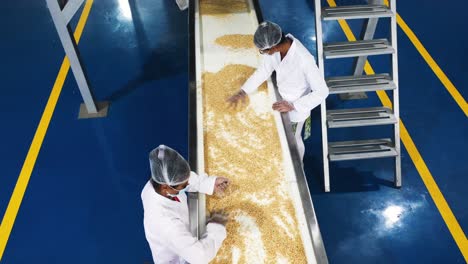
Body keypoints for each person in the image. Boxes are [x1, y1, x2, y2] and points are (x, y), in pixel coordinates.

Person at [227, 21, 329, 160]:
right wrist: (243, 91)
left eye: (264, 50)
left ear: (273, 46)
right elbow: (264, 70)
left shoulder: (304, 59)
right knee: (284, 137)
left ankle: (298, 164)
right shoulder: (276, 50)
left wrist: (294, 105)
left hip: (296, 109)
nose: (264, 53)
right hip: (282, 100)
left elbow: (322, 92)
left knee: (294, 139)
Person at [141, 145, 230, 264]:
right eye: (183, 186)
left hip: (181, 237)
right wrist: (217, 226)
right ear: (165, 187)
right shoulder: (166, 223)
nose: (187, 185)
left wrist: (209, 184)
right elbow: (200, 257)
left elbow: (185, 178)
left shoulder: (159, 182)